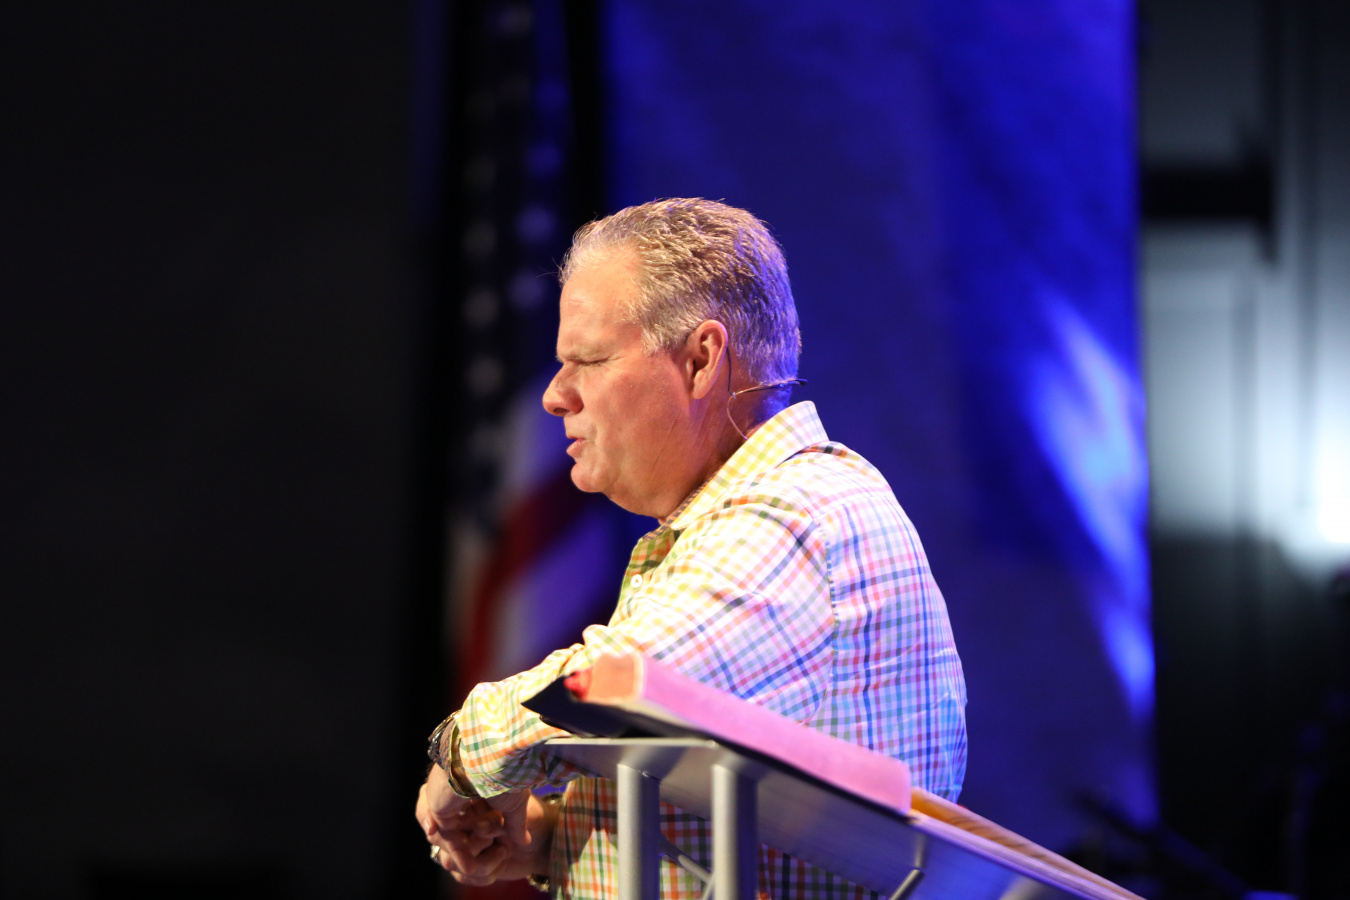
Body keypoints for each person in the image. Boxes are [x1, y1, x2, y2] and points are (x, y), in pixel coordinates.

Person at [416, 198, 967, 899]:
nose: (555, 396)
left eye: (588, 359)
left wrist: (461, 752)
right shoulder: (762, 514)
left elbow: (621, 685)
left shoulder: (799, 512)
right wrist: (559, 840)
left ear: (702, 360)